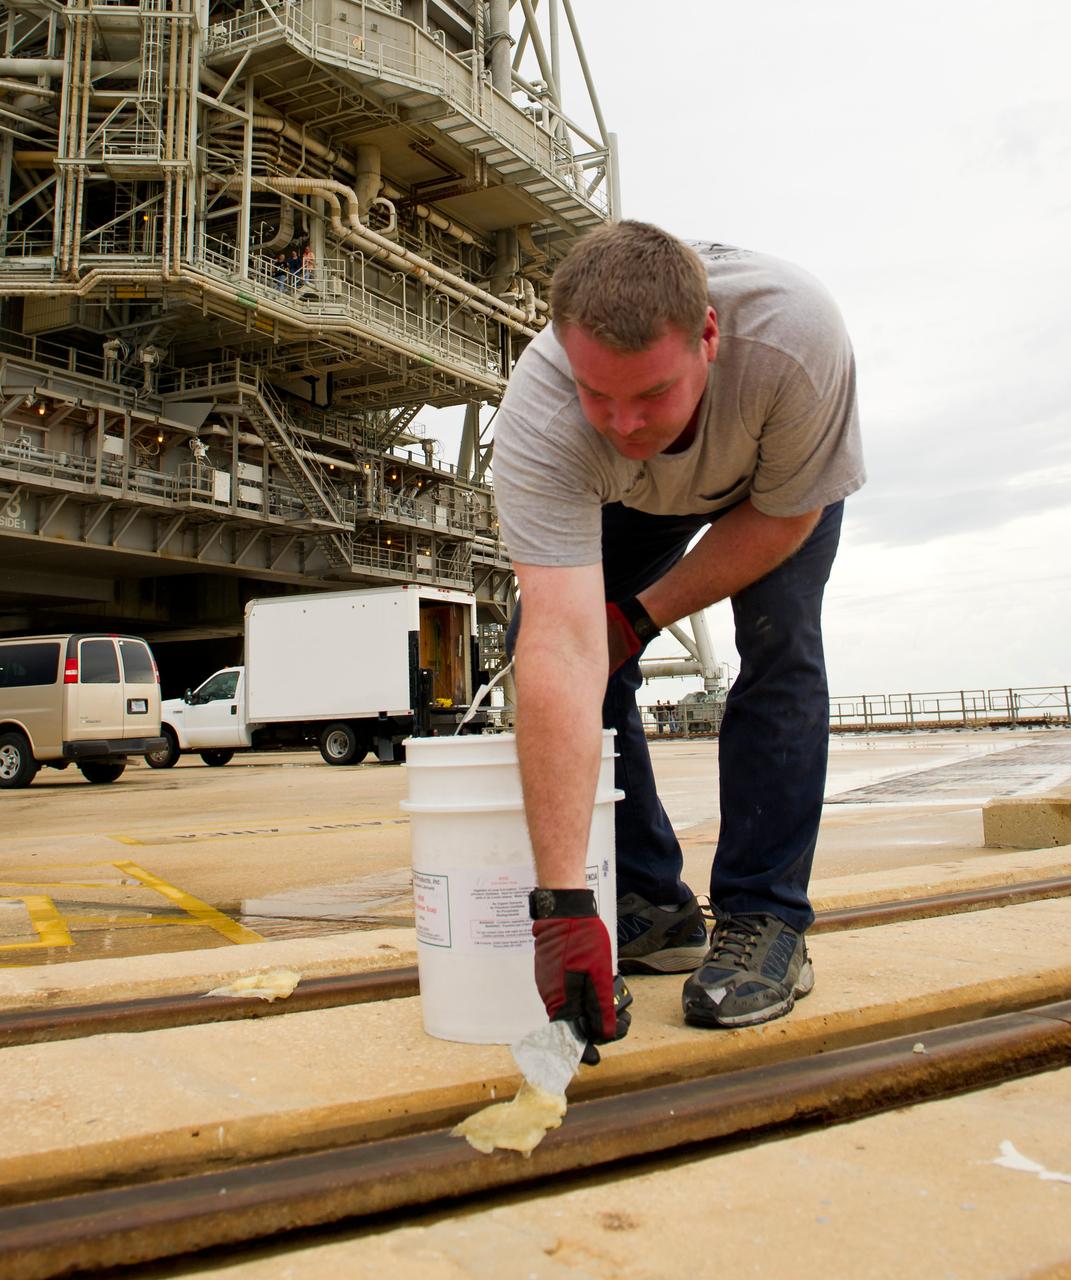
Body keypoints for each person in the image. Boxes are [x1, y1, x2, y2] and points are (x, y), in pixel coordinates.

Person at [494, 222, 864, 1051]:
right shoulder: (545, 414)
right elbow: (558, 643)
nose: (623, 422)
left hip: (770, 489)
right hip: (631, 501)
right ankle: (646, 903)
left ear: (707, 336)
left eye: (650, 393)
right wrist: (559, 908)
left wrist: (644, 613)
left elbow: (783, 520)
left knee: (780, 644)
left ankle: (764, 915)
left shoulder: (793, 341)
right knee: (550, 636)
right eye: (600, 395)